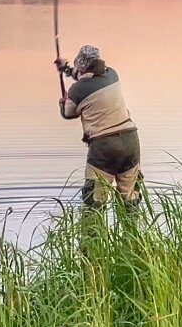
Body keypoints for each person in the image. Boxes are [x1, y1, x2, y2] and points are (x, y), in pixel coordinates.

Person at [56, 45, 142, 208]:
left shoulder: (77, 90)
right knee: (130, 200)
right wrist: (67, 69)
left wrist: (63, 102)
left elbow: (68, 113)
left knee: (95, 201)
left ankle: (93, 232)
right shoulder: (112, 74)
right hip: (131, 141)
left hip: (104, 146)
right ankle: (132, 230)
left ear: (81, 64)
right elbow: (85, 77)